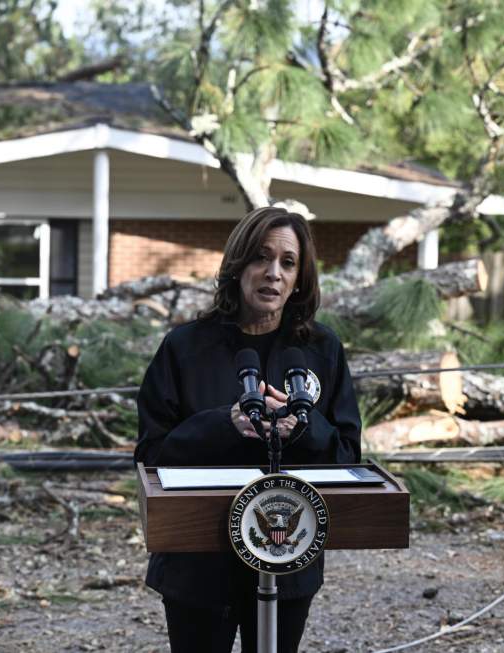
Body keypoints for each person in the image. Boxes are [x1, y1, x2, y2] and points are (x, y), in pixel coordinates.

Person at [134, 206, 361, 653]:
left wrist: (303, 428)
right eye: (261, 257)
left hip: (287, 551)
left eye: (288, 262)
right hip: (198, 562)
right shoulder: (185, 346)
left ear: (299, 277)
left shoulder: (320, 348)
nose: (273, 273)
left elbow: (348, 454)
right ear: (238, 265)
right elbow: (150, 454)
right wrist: (225, 424)